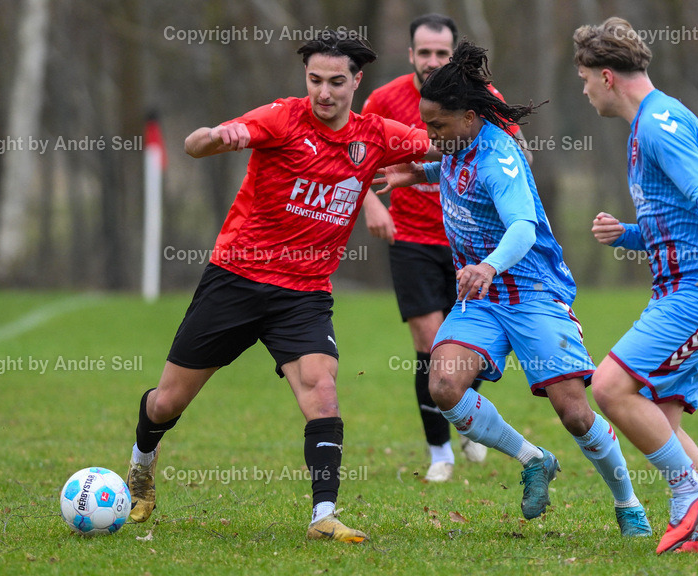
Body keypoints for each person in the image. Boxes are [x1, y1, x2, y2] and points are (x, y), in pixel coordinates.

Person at [123, 30, 432, 544]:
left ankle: (323, 515)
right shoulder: (281, 118)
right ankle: (141, 463)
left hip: (304, 294)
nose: (324, 92)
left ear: (358, 81)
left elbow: (443, 141)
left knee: (323, 389)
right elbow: (202, 142)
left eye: (336, 82)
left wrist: (491, 138)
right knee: (166, 404)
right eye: (315, 80)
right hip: (236, 281)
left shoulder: (376, 134)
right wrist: (209, 138)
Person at [377, 40, 651, 536]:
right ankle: (533, 459)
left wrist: (487, 266)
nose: (429, 133)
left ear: (468, 116)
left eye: (437, 125)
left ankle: (628, 502)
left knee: (573, 413)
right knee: (443, 386)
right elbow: (458, 170)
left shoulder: (497, 154)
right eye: (426, 124)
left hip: (531, 295)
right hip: (483, 302)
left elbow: (523, 227)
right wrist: (420, 172)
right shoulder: (460, 146)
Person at [573, 17, 698, 553]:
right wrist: (628, 235)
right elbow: (678, 217)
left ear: (606, 77)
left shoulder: (658, 123)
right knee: (662, 420)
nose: (582, 90)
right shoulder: (648, 125)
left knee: (608, 387)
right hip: (685, 286)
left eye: (583, 79)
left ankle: (687, 495)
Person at [360, 14, 531, 484]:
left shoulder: (482, 101)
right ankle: (440, 452)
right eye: (425, 52)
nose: (432, 60)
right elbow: (355, 155)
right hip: (411, 239)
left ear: (452, 55)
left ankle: (468, 416)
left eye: (442, 53)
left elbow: (519, 156)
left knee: (464, 346)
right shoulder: (385, 99)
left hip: (474, 245)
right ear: (411, 54)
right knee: (429, 343)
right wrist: (372, 204)